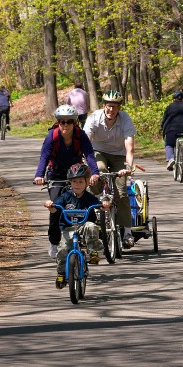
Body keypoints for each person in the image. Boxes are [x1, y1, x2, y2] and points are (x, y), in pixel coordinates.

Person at [34, 104, 100, 257]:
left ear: (75, 122)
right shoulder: (52, 136)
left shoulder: (80, 135)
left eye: (69, 121)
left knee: (81, 204)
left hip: (76, 173)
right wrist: (39, 175)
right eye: (62, 121)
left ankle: (83, 237)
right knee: (57, 207)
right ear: (58, 122)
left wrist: (95, 173)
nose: (65, 125)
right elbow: (44, 156)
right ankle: (54, 242)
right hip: (56, 174)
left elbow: (89, 154)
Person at [84, 89, 137, 248]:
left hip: (119, 155)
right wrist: (85, 162)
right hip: (98, 152)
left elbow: (130, 147)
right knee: (97, 171)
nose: (111, 110)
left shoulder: (125, 119)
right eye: (108, 106)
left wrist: (128, 166)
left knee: (121, 192)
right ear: (104, 106)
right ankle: (101, 195)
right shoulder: (94, 118)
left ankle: (127, 232)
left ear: (119, 108)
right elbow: (87, 141)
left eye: (115, 107)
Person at [45, 162, 107, 289]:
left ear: (87, 183)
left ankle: (93, 251)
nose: (77, 185)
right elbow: (55, 208)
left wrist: (104, 205)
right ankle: (61, 273)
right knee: (62, 249)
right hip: (68, 228)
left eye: (80, 182)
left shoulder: (89, 198)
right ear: (70, 182)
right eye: (74, 182)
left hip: (84, 225)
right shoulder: (65, 196)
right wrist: (50, 205)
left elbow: (100, 205)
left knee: (92, 227)